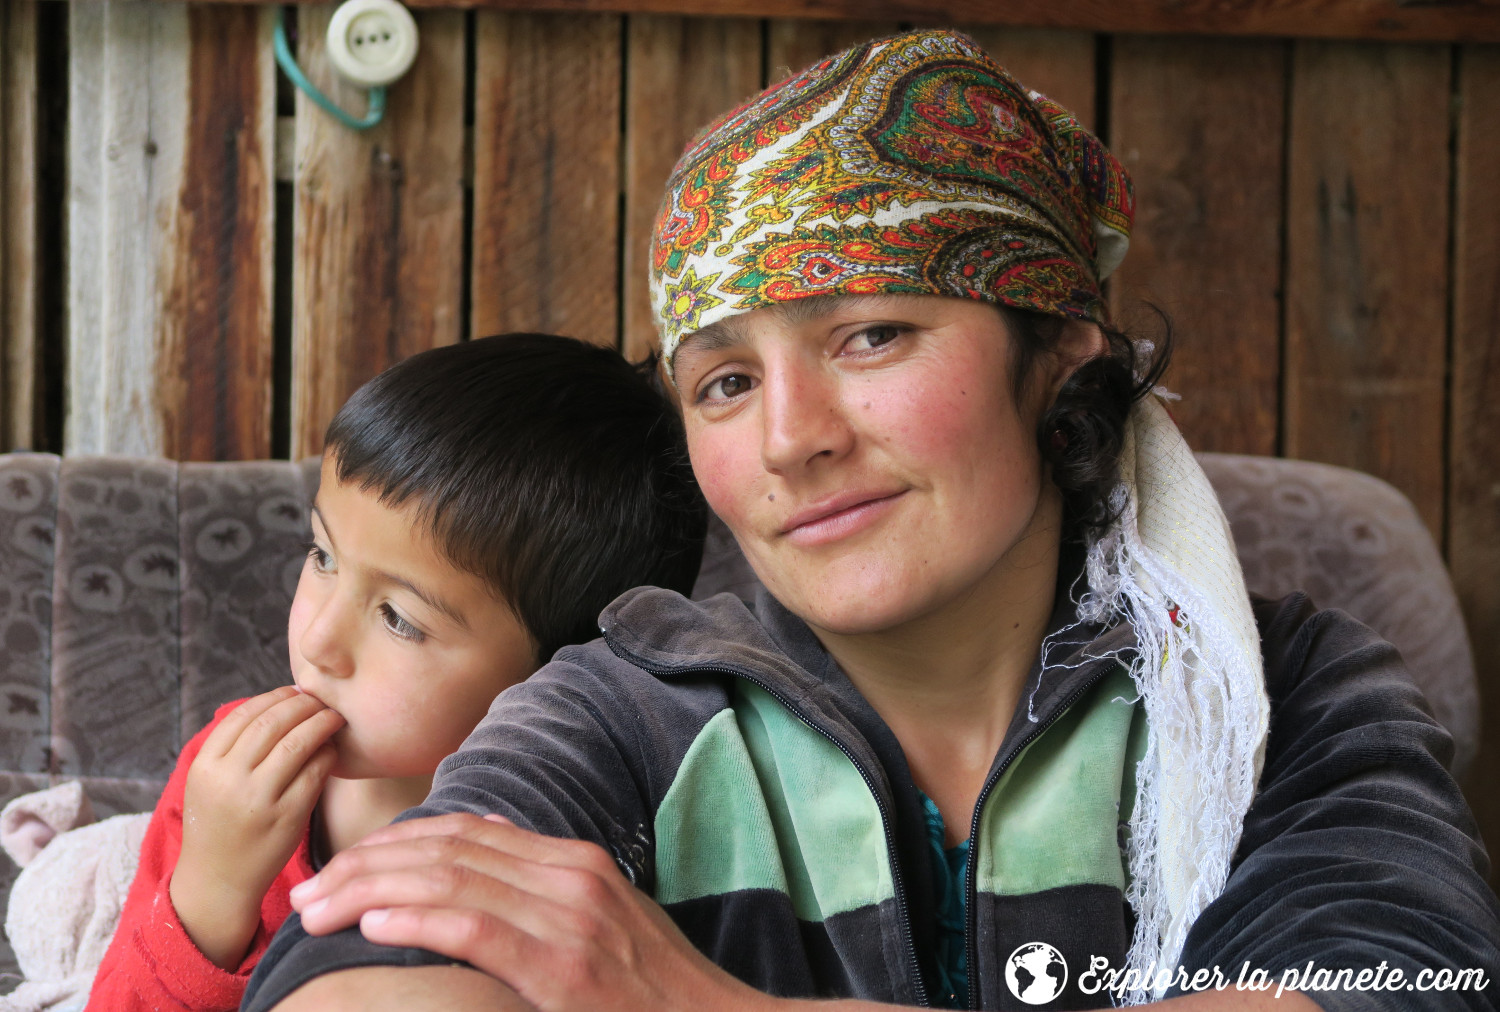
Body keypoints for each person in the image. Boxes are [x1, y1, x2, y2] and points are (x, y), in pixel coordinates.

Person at [242, 30, 1500, 1011]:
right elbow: (353, 972)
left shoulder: (1285, 695)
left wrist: (683, 997)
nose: (792, 436)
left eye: (873, 334)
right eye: (726, 380)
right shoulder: (620, 716)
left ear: (1060, 355)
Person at [85, 333, 706, 1011]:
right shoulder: (226, 774)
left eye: (400, 619)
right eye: (322, 556)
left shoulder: (586, 863)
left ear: (562, 678)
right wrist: (209, 890)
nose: (319, 640)